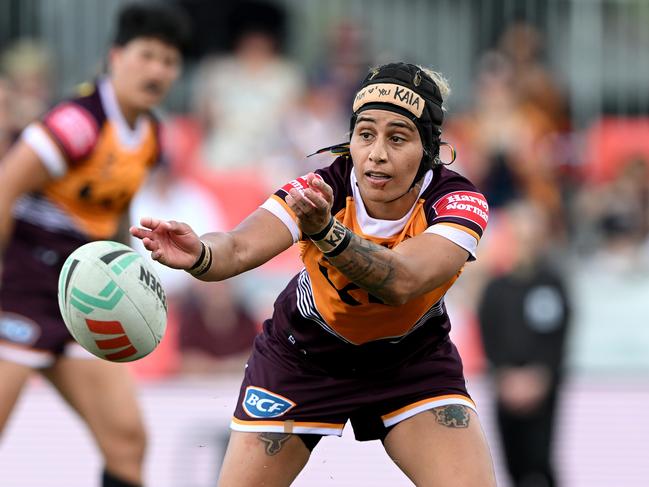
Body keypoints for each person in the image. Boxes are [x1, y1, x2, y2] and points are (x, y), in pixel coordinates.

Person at [132, 62, 496, 486]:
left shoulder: (457, 202)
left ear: (429, 148)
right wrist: (200, 253)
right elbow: (237, 246)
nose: (376, 153)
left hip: (411, 360)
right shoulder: (318, 191)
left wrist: (327, 232)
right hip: (302, 356)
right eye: (365, 135)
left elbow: (403, 281)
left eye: (397, 138)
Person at [0, 4, 189, 487]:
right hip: (21, 285)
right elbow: (5, 187)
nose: (157, 71)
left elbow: (114, 214)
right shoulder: (77, 122)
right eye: (147, 55)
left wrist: (128, 269)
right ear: (116, 56)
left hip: (83, 294)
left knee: (127, 442)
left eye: (168, 61)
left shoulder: (150, 135)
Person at [477, 201, 571, 487]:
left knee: (540, 463)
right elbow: (488, 335)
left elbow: (559, 336)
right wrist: (504, 376)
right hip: (505, 387)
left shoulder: (552, 285)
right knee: (512, 465)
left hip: (543, 389)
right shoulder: (496, 289)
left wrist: (540, 377)